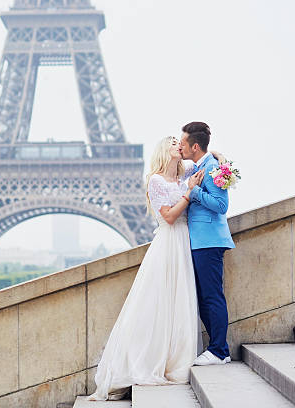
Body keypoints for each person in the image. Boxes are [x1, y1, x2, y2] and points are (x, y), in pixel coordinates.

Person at [86, 135, 224, 401]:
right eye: (173, 143)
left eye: (179, 142)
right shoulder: (157, 180)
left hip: (185, 244)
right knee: (158, 302)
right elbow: (170, 217)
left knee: (180, 302)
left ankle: (175, 357)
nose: (178, 145)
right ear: (164, 150)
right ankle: (148, 359)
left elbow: (206, 162)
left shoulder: (186, 176)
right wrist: (188, 192)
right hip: (169, 244)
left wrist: (219, 157)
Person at [179, 122, 235, 366]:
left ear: (194, 146)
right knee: (203, 297)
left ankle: (220, 351)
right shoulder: (202, 165)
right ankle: (217, 347)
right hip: (199, 240)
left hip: (209, 241)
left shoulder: (212, 168)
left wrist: (194, 192)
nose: (180, 147)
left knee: (212, 296)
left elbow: (222, 206)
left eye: (182, 143)